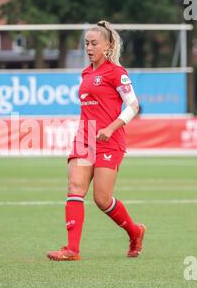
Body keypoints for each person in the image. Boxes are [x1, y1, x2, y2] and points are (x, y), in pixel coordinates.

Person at [47, 20, 145, 261]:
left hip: (109, 141)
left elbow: (134, 106)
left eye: (94, 43)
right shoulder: (86, 73)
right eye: (86, 44)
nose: (88, 48)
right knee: (74, 189)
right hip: (84, 139)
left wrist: (111, 128)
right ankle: (72, 250)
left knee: (101, 199)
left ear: (108, 46)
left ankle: (135, 232)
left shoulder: (116, 72)